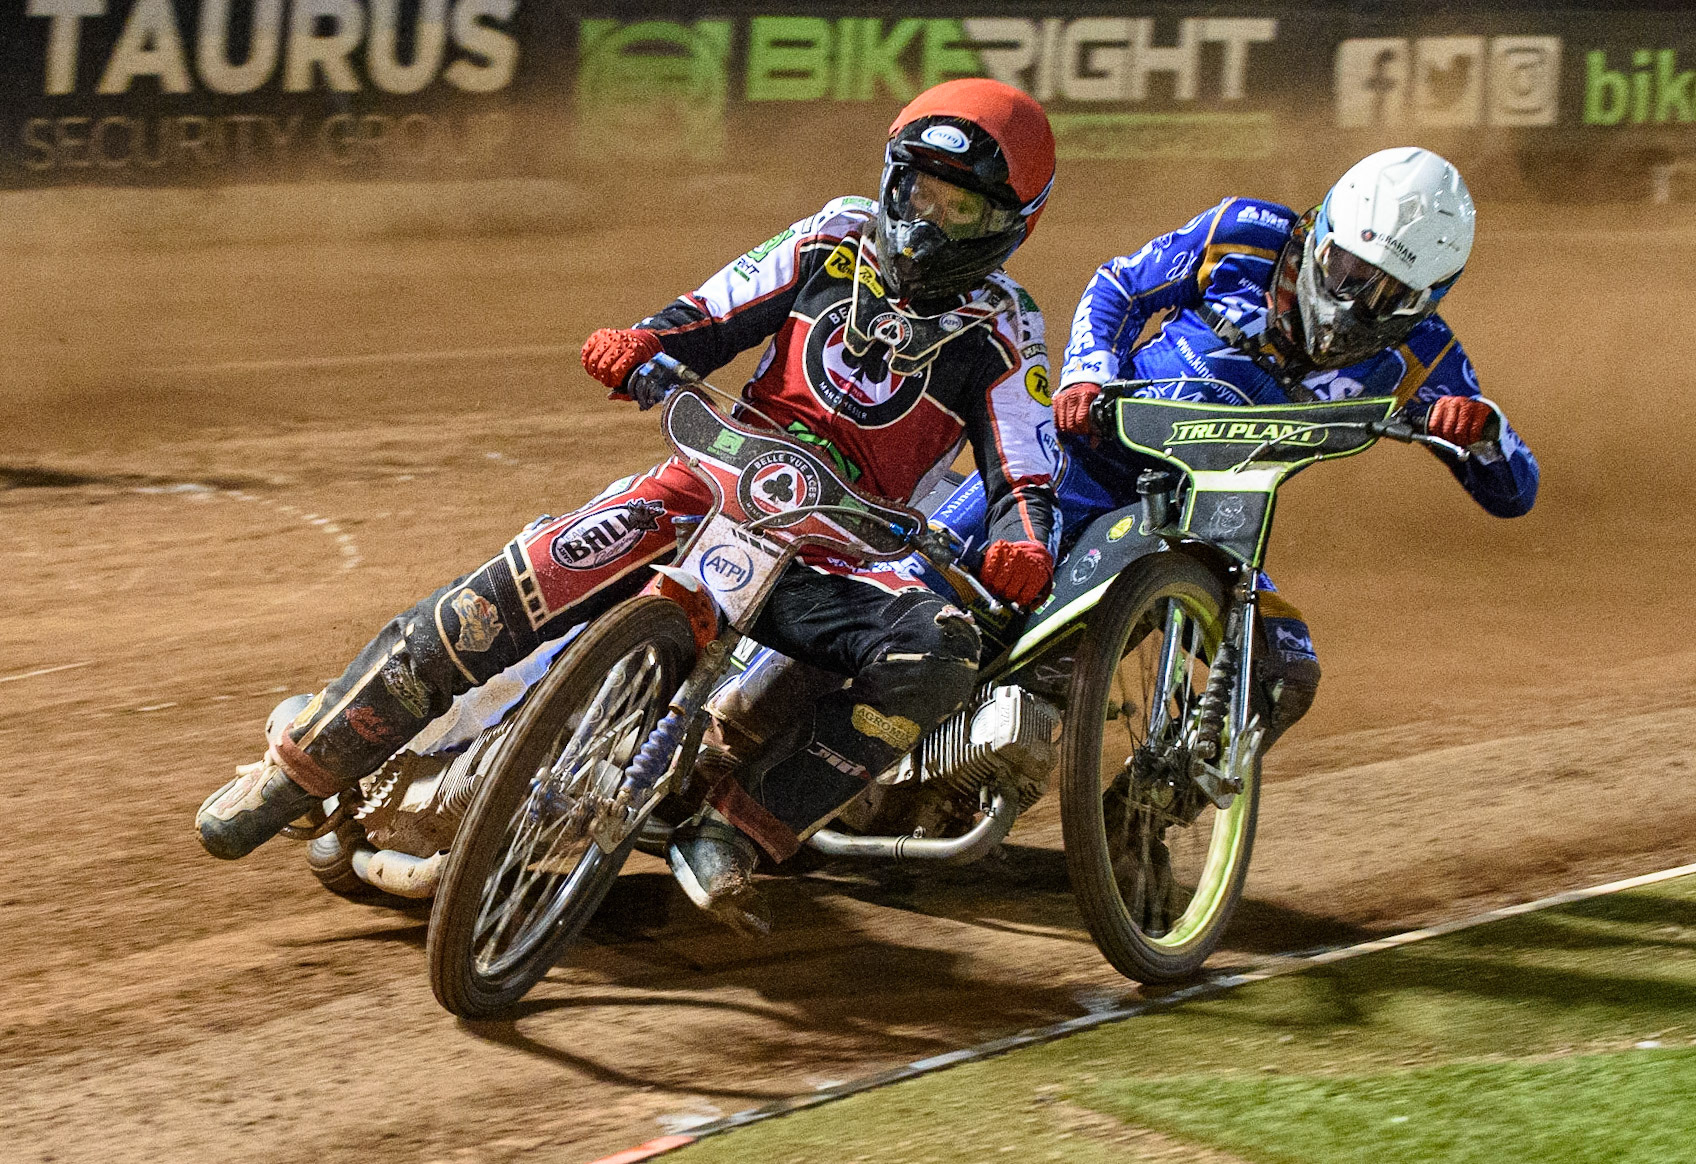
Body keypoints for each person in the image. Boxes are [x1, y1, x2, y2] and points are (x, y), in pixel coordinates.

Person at [196, 79, 1063, 935]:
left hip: (839, 552)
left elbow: (1026, 470)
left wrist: (1023, 541)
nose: (926, 222)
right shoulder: (834, 235)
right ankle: (300, 767)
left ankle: (739, 828)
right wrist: (644, 342)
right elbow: (711, 311)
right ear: (892, 176)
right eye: (921, 192)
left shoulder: (1007, 327)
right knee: (512, 586)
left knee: (937, 656)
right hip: (707, 487)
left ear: (1011, 225)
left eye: (962, 210)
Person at [1050, 147, 1539, 751]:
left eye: (1384, 294)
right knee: (955, 593)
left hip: (1213, 529)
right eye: (1344, 269)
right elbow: (1119, 286)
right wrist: (1085, 374)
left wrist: (1482, 432)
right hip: (1088, 460)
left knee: (1286, 673)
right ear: (1322, 233)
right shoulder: (1243, 234)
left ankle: (1133, 824)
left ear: (1424, 299)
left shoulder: (1423, 355)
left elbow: (1515, 493)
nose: (1352, 297)